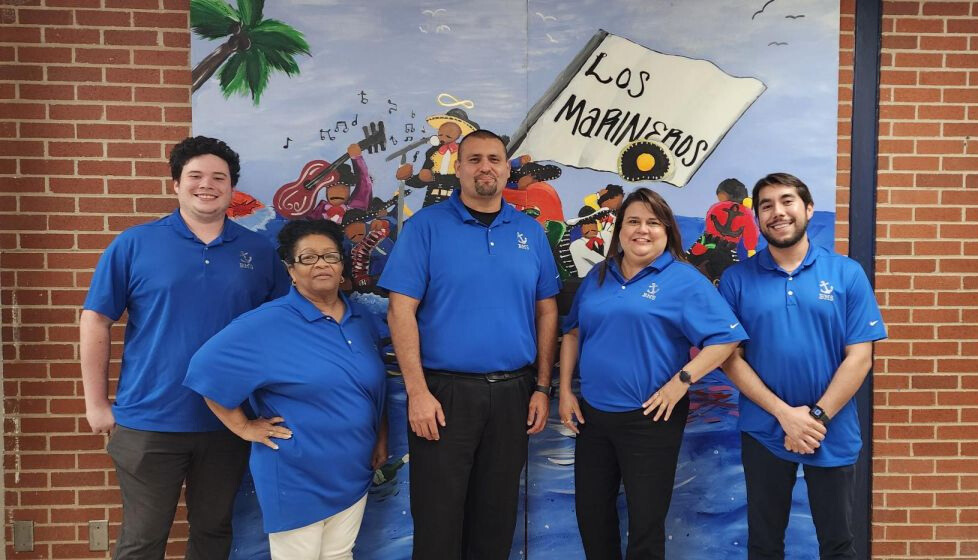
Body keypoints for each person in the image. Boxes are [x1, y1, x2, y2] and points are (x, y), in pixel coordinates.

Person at [80, 136, 290, 559]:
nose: (206, 185)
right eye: (195, 176)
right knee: (142, 540)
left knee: (213, 534)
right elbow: (95, 319)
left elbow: (282, 327)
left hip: (229, 422)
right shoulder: (135, 244)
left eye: (219, 177)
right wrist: (96, 403)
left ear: (232, 188)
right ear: (175, 183)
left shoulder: (258, 250)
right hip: (148, 420)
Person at [379, 129, 560, 559]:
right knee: (439, 521)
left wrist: (541, 386)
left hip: (515, 393)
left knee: (496, 521)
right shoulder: (426, 227)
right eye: (474, 159)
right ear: (457, 168)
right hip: (443, 396)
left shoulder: (530, 232)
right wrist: (417, 393)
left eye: (494, 159)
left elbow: (548, 311)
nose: (485, 167)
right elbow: (399, 311)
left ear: (507, 168)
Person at [559, 187, 748, 560]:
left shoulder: (684, 279)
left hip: (650, 419)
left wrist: (681, 383)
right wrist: (564, 390)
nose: (641, 230)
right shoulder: (600, 275)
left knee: (645, 527)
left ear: (667, 231)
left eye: (652, 222)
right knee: (592, 518)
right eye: (633, 221)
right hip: (593, 418)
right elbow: (574, 331)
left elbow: (725, 340)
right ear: (619, 228)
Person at [184, 219, 388, 560]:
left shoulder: (362, 319)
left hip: (353, 466)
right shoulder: (267, 323)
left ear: (342, 265)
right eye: (308, 257)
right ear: (290, 270)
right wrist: (243, 427)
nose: (321, 263)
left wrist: (380, 437)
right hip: (296, 471)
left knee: (339, 553)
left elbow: (371, 387)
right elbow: (204, 370)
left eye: (330, 256)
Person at [719, 173, 886, 559]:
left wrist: (815, 418)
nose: (778, 212)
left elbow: (860, 357)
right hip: (764, 430)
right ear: (757, 218)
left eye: (787, 201)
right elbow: (730, 359)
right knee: (763, 544)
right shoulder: (736, 279)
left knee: (838, 544)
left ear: (807, 208)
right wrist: (784, 416)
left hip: (833, 429)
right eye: (766, 205)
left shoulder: (847, 273)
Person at [687, 178, 760, 284]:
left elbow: (709, 222)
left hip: (706, 241)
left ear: (725, 194)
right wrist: (751, 249)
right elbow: (751, 233)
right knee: (727, 274)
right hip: (727, 248)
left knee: (687, 262)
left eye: (719, 195)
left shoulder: (716, 207)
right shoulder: (747, 213)